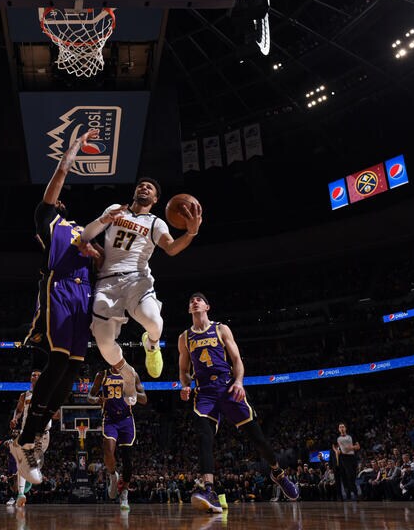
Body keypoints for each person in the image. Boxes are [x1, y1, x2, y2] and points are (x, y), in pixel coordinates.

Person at [11, 128, 103, 486]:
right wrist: (73, 151)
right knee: (59, 359)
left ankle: (30, 437)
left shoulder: (84, 229)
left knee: (73, 371)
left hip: (85, 295)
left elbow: (101, 260)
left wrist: (95, 254)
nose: (59, 201)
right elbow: (59, 179)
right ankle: (26, 438)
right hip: (60, 289)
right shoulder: (49, 221)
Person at [82, 178, 202, 401]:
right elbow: (86, 235)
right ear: (135, 191)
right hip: (107, 282)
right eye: (141, 185)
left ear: (155, 200)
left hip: (137, 279)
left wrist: (191, 233)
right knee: (103, 341)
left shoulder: (156, 223)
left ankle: (152, 344)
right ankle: (127, 372)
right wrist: (104, 219)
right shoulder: (115, 210)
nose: (144, 187)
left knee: (155, 322)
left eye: (150, 187)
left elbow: (171, 248)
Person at [178, 292, 298, 513]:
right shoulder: (184, 337)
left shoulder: (221, 329)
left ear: (207, 306)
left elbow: (236, 360)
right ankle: (209, 490)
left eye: (199, 300)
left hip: (228, 387)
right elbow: (183, 371)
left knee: (258, 439)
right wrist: (186, 385)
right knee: (204, 436)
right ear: (189, 310)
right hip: (204, 393)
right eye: (191, 301)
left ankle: (277, 472)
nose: (194, 302)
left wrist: (240, 382)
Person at [86, 365, 147, 510]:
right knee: (108, 449)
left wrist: (132, 392)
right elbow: (90, 396)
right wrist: (95, 400)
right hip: (110, 420)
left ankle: (124, 493)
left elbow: (144, 399)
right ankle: (113, 475)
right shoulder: (102, 374)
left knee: (128, 460)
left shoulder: (132, 374)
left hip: (126, 420)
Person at [7, 370, 53, 507]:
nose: (36, 377)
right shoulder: (24, 395)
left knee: (32, 464)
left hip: (43, 434)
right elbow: (19, 410)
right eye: (33, 375)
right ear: (30, 378)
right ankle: (21, 494)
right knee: (22, 461)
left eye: (39, 375)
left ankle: (28, 481)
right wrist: (15, 418)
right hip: (26, 432)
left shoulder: (49, 393)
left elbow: (56, 414)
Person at [335, 422, 360, 500]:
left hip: (352, 457)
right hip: (344, 459)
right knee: (349, 475)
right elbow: (336, 448)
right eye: (340, 427)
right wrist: (338, 451)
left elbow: (358, 446)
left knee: (353, 476)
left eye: (343, 427)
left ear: (345, 428)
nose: (342, 428)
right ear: (339, 429)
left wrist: (350, 448)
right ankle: (355, 494)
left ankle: (352, 492)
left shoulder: (351, 436)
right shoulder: (337, 438)